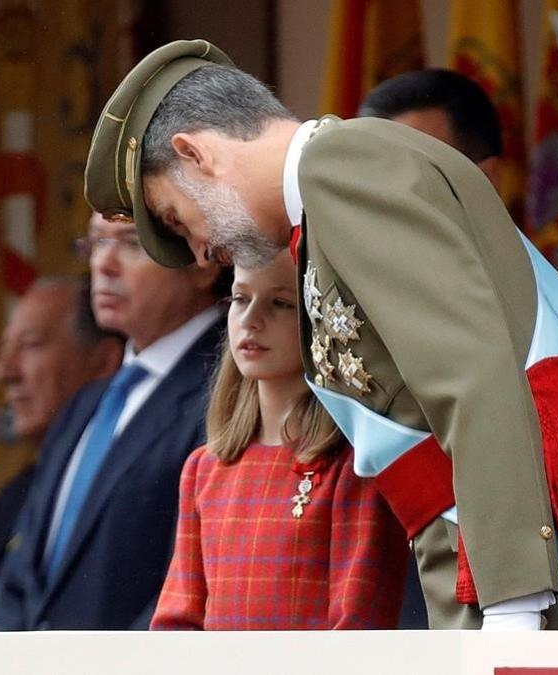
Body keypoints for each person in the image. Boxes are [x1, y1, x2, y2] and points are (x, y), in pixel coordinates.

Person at [83, 40, 558, 662]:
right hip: (521, 555)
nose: (202, 251)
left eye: (177, 219)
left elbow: (473, 377)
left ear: (194, 154)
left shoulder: (342, 168)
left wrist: (510, 610)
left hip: (553, 568)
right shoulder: (330, 189)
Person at [0, 210, 225, 630]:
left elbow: (197, 582)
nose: (103, 265)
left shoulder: (225, 394)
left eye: (132, 243)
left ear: (201, 264)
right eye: (97, 242)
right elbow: (21, 573)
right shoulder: (85, 406)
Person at [151, 250, 407, 630]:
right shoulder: (204, 469)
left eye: (281, 303)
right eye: (240, 298)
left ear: (319, 320)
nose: (251, 320)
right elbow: (177, 622)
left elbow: (357, 628)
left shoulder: (355, 467)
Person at [359, 68, 558, 405]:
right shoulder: (344, 300)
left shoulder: (543, 324)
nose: (389, 195)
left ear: (485, 179)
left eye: (414, 173)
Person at [0, 270, 123, 560]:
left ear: (103, 362)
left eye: (30, 344)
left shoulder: (129, 480)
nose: (4, 371)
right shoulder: (15, 496)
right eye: (6, 349)